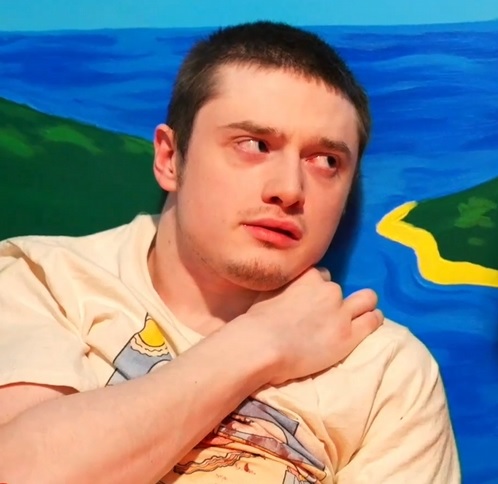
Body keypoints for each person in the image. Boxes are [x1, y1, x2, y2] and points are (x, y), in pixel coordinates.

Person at [0, 21, 459, 483]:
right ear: (170, 158)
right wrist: (261, 343)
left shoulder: (387, 371)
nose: (289, 189)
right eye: (255, 145)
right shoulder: (45, 282)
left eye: (326, 161)